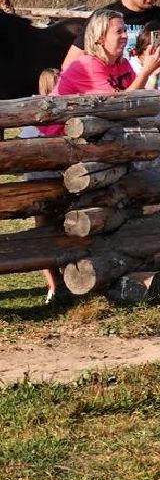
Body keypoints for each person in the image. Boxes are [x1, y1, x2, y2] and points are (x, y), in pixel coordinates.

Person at [19, 68, 66, 304]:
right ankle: (53, 284)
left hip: (59, 182)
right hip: (41, 184)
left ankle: (60, 282)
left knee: (58, 229)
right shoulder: (36, 114)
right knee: (44, 230)